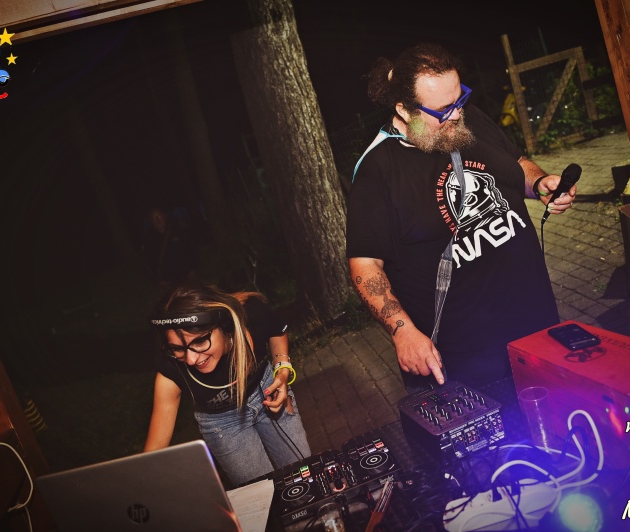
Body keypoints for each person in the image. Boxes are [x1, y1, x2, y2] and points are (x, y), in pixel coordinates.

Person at [346, 43, 576, 393]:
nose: (456, 115)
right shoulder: (378, 170)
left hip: (537, 326)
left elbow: (515, 163)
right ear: (404, 109)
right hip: (469, 362)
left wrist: (540, 182)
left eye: (459, 100)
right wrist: (403, 331)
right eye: (442, 109)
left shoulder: (468, 118)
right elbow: (364, 265)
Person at [143, 279, 311, 487]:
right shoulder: (171, 368)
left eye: (200, 341)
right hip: (223, 425)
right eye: (177, 348)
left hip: (268, 394)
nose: (191, 359)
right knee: (263, 495)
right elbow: (154, 451)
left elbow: (277, 332)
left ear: (224, 325)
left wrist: (282, 371)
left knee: (305, 476)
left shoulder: (251, 314)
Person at [141, 207, 200, 286]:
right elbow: (148, 264)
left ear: (165, 216)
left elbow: (193, 249)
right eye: (154, 218)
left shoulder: (179, 230)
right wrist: (157, 281)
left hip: (188, 276)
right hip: (168, 282)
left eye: (159, 216)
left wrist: (194, 268)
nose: (158, 220)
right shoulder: (149, 240)